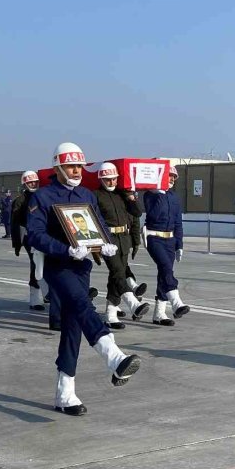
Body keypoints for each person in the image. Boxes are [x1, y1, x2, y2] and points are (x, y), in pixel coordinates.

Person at [26, 142, 141, 417]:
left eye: (80, 166)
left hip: (81, 266)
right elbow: (35, 235)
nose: (77, 170)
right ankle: (113, 356)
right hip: (57, 264)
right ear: (58, 167)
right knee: (81, 303)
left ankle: (65, 393)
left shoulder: (86, 195)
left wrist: (107, 243)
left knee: (73, 327)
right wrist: (63, 248)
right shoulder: (42, 197)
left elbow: (98, 225)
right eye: (71, 166)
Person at [93, 162, 151, 329]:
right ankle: (133, 304)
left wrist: (132, 198)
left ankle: (110, 315)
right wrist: (97, 245)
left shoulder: (122, 195)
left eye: (114, 179)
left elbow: (137, 213)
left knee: (115, 277)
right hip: (107, 239)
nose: (111, 182)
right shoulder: (95, 195)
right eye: (107, 179)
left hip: (124, 239)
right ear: (101, 179)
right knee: (118, 272)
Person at [145, 165, 190, 326]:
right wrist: (159, 194)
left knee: (164, 273)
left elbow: (178, 222)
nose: (171, 179)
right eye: (168, 176)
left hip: (169, 240)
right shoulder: (151, 195)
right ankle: (176, 301)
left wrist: (179, 244)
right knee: (165, 267)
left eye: (173, 177)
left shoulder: (174, 197)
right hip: (153, 237)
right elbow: (153, 214)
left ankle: (159, 313)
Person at [12, 170, 48, 310]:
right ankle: (35, 297)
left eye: (35, 181)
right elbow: (15, 223)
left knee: (47, 264)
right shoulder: (20, 201)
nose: (33, 184)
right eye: (30, 182)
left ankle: (46, 294)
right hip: (29, 237)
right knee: (36, 264)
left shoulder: (44, 196)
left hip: (44, 236)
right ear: (24, 184)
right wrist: (17, 244)